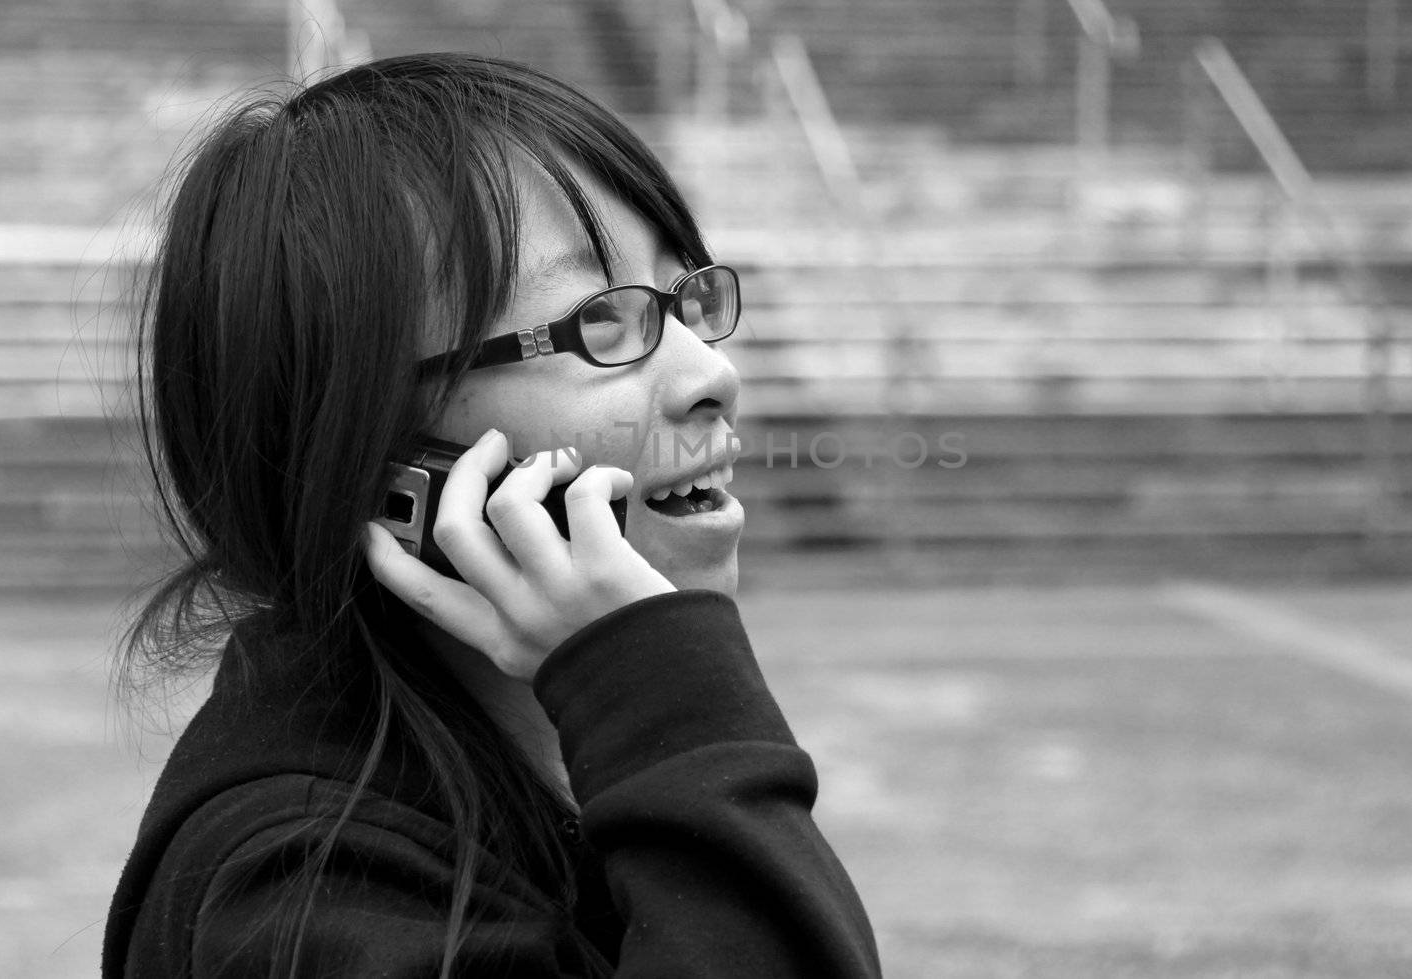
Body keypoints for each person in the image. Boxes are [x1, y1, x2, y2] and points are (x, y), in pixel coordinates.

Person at [102, 53, 881, 977]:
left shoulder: (550, 771)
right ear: (374, 448)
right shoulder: (306, 896)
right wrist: (672, 701)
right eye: (602, 320)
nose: (713, 375)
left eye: (686, 297)